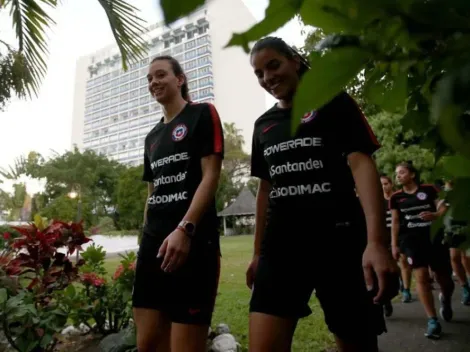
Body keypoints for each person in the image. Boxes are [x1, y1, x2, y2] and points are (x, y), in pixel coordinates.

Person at [247, 36, 398, 352]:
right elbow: (265, 189)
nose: (267, 78)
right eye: (259, 73)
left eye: (273, 65)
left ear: (295, 61)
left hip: (340, 244)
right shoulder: (263, 125)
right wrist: (257, 254)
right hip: (281, 249)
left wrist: (376, 243)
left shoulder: (334, 101)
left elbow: (361, 164)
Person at [132, 55, 224, 352]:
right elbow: (152, 192)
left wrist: (185, 229)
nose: (153, 82)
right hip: (153, 244)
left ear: (179, 79)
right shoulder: (152, 137)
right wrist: (144, 241)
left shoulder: (202, 114)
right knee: (147, 344)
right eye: (149, 79)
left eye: (160, 75)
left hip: (193, 243)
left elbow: (210, 176)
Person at [390, 162, 454, 339]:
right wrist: (394, 245)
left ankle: (446, 299)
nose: (398, 176)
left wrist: (435, 215)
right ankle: (432, 320)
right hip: (411, 241)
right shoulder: (396, 198)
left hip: (433, 238)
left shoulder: (429, 189)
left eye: (402, 172)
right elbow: (395, 223)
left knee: (445, 280)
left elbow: (443, 207)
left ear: (412, 174)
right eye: (396, 174)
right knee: (422, 276)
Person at [443, 180, 470, 305]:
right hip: (451, 228)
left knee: (466, 257)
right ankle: (465, 287)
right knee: (454, 257)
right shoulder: (447, 192)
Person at [380, 174, 399, 316]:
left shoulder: (397, 198)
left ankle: (399, 289)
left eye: (386, 183)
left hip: (397, 238)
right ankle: (385, 300)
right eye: (381, 184)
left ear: (391, 184)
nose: (384, 186)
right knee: (382, 271)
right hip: (381, 240)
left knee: (395, 268)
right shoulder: (376, 201)